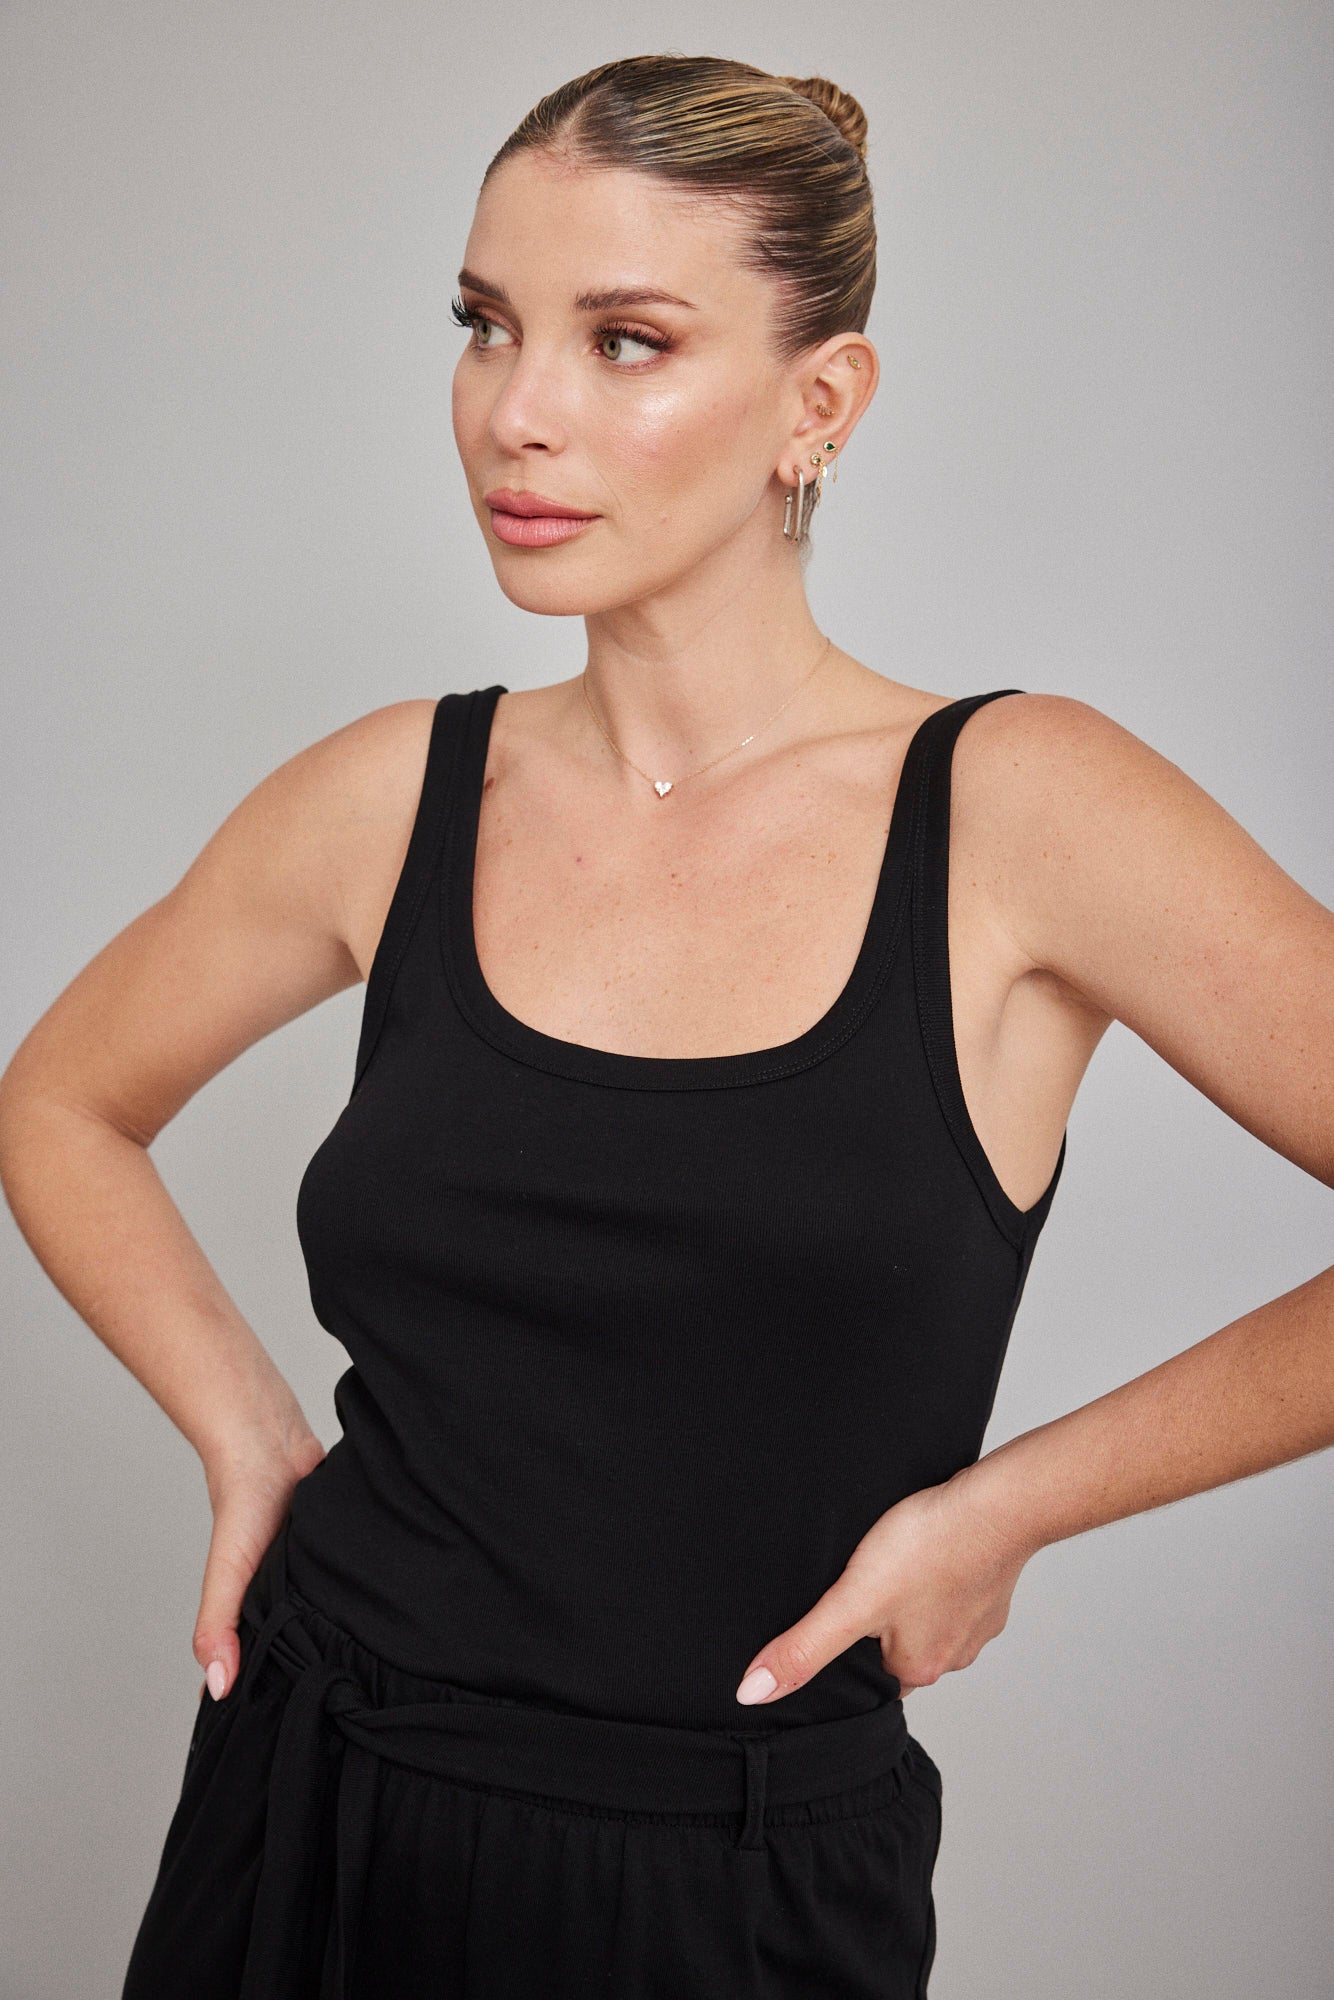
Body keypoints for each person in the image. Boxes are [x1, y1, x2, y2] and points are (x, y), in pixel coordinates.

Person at [1, 50, 1331, 2000]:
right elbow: (60, 1098)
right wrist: (247, 1437)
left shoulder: (1024, 813)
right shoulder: (392, 796)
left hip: (727, 1878)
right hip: (311, 1786)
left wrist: (1010, 1509)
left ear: (819, 403)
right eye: (484, 325)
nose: (515, 411)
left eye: (625, 341)